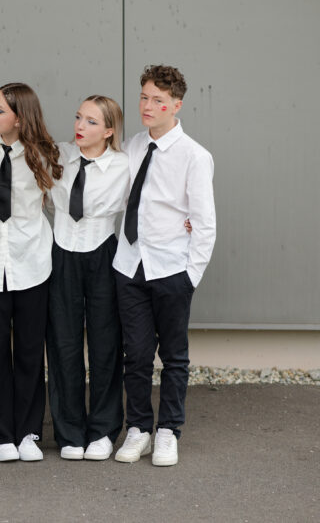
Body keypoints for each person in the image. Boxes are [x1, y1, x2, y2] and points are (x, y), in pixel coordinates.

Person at [113, 65, 216, 466]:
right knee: (136, 354)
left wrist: (190, 277)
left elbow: (204, 222)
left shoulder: (194, 156)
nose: (148, 105)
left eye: (158, 100)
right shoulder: (132, 147)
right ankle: (139, 428)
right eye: (144, 97)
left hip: (172, 270)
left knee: (174, 356)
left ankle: (169, 430)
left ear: (176, 105)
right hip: (130, 265)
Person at [0, 83, 59, 462]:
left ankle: (27, 432)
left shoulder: (44, 155)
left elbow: (61, 203)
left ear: (20, 118)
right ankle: (0, 434)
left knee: (28, 352)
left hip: (31, 263)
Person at [46, 95, 128, 461]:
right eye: (79, 117)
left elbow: (154, 196)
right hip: (61, 253)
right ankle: (69, 432)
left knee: (105, 345)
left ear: (109, 131)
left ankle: (103, 431)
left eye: (92, 121)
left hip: (103, 254)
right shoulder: (57, 155)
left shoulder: (124, 165)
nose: (80, 126)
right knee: (63, 345)